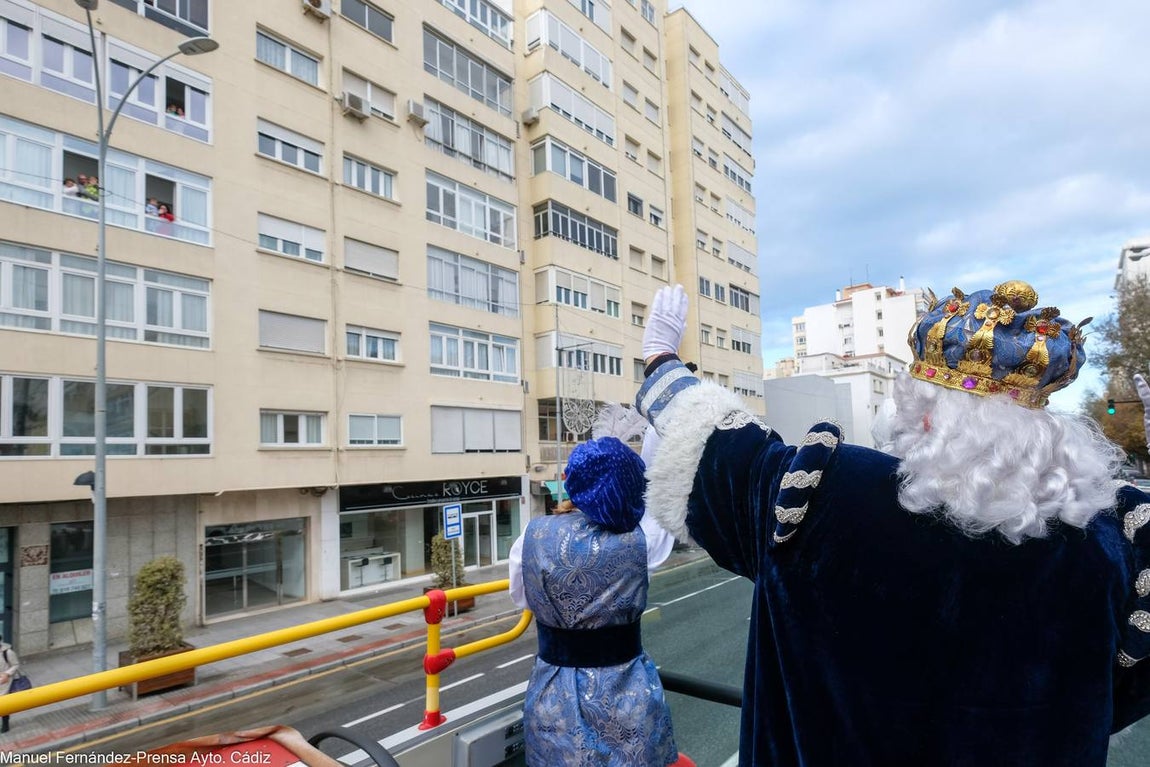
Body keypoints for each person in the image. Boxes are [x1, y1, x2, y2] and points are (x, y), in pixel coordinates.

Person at [635, 281, 1150, 766]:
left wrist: (660, 355)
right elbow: (1120, 694)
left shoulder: (825, 492)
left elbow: (719, 452)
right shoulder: (1113, 543)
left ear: (923, 416)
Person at [508, 436, 680, 766]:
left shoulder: (530, 537)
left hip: (552, 696)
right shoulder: (643, 541)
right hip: (627, 696)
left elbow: (522, 598)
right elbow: (662, 494)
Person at [0, 635, 19, 733]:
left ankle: (5, 724)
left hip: (4, 682)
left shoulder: (7, 652)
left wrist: (7, 674)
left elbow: (15, 665)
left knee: (3, 704)